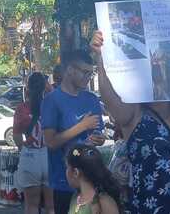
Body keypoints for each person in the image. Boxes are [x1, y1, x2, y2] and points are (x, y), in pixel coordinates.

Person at [91, 31, 170, 214]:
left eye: (165, 67)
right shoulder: (134, 114)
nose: (161, 75)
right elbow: (110, 99)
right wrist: (100, 58)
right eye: (155, 69)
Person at [41, 49, 106, 214]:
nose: (88, 77)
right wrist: (82, 126)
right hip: (64, 182)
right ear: (70, 70)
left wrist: (99, 138)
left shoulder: (92, 99)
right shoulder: (51, 100)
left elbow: (99, 135)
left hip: (91, 180)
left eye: (91, 73)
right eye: (85, 72)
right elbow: (50, 142)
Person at [14, 72, 54, 214]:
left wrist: (22, 147)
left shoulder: (21, 108)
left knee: (31, 205)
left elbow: (17, 136)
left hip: (30, 156)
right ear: (44, 87)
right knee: (51, 206)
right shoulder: (51, 106)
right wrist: (49, 88)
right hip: (49, 156)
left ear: (28, 88)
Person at [65, 144, 121, 214]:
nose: (66, 172)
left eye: (67, 167)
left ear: (76, 172)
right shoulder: (76, 197)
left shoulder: (104, 202)